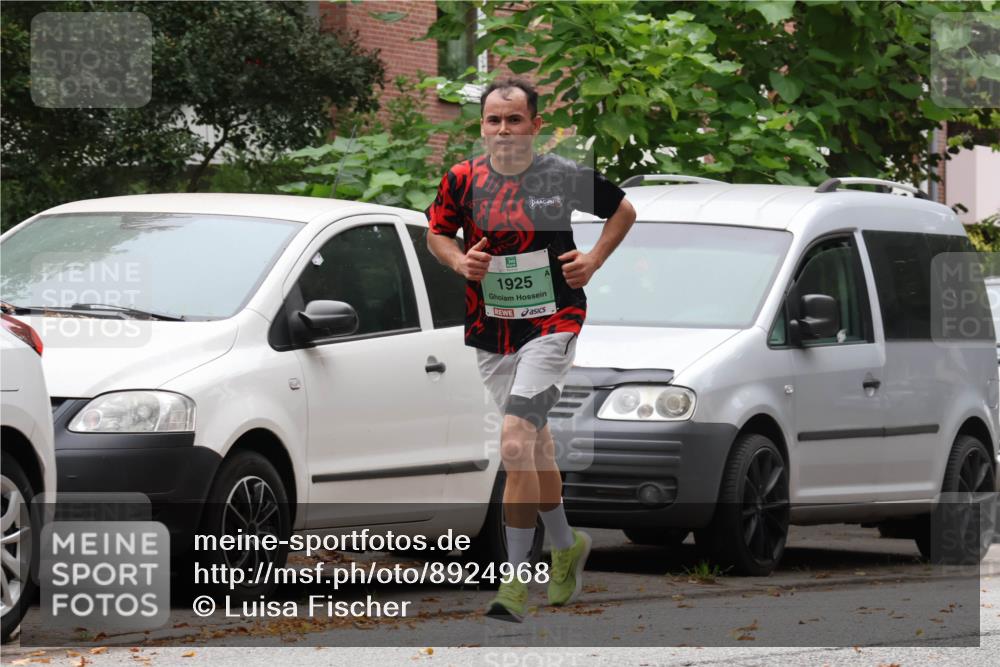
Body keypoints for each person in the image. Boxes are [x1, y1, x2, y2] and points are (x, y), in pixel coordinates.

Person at [426, 77, 636, 622]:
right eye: (494, 120)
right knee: (536, 445)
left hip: (554, 322)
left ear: (535, 125)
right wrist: (457, 262)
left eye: (514, 119)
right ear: (481, 126)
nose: (503, 130)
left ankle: (516, 581)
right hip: (490, 330)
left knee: (515, 444)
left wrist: (592, 260)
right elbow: (436, 233)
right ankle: (566, 544)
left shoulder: (560, 177)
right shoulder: (462, 180)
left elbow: (623, 212)